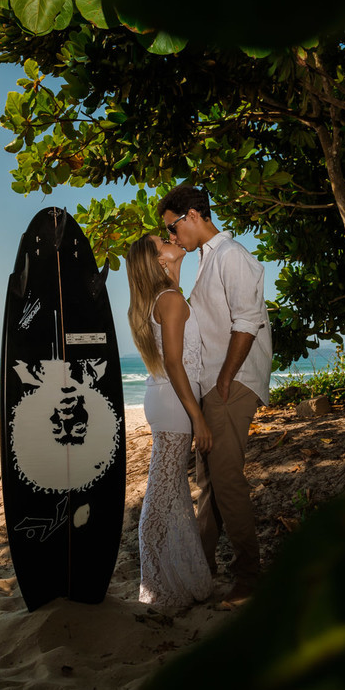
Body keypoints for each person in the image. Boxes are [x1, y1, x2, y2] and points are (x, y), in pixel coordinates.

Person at [158, 186, 271, 606]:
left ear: (191, 215)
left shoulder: (231, 256)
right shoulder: (207, 259)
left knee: (225, 479)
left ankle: (249, 579)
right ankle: (202, 570)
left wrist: (224, 378)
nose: (171, 236)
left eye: (172, 227)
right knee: (209, 483)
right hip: (215, 384)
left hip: (232, 383)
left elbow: (248, 321)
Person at [125, 234, 213, 607]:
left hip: (163, 398)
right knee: (162, 493)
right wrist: (199, 418)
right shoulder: (171, 300)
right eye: (163, 240)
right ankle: (156, 586)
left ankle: (178, 579)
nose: (171, 238)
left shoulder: (161, 298)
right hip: (176, 403)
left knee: (173, 491)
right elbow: (176, 363)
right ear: (158, 259)